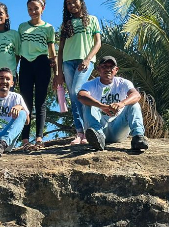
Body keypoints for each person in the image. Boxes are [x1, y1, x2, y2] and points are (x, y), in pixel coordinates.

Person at [77, 56, 148, 152]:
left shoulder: (123, 83)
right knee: (87, 105)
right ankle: (97, 137)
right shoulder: (91, 84)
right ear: (98, 69)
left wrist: (122, 103)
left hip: (118, 128)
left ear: (116, 70)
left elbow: (136, 95)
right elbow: (81, 95)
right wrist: (102, 106)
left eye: (111, 67)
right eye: (104, 66)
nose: (108, 69)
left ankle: (138, 137)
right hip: (99, 130)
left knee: (134, 105)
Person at [56, 0, 101, 145]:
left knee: (77, 91)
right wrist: (59, 72)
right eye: (68, 3)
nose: (71, 5)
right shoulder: (66, 24)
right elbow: (61, 49)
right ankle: (80, 133)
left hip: (85, 62)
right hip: (68, 63)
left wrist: (88, 59)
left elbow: (98, 43)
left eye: (74, 1)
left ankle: (90, 130)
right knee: (73, 96)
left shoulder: (92, 20)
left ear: (81, 2)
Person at [17, 0, 57, 150]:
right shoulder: (22, 27)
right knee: (25, 101)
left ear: (43, 8)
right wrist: (14, 69)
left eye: (36, 8)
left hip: (42, 63)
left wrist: (56, 72)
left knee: (40, 101)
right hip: (25, 64)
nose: (33, 12)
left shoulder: (48, 28)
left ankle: (39, 137)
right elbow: (18, 50)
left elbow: (52, 51)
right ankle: (25, 139)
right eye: (30, 9)